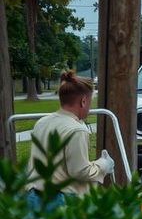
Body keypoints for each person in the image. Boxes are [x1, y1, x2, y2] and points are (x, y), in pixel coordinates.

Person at [25, 70, 115, 207]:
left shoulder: (42, 122)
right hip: (60, 201)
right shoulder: (76, 130)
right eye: (90, 102)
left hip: (33, 197)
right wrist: (104, 165)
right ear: (83, 101)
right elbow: (79, 171)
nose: (90, 108)